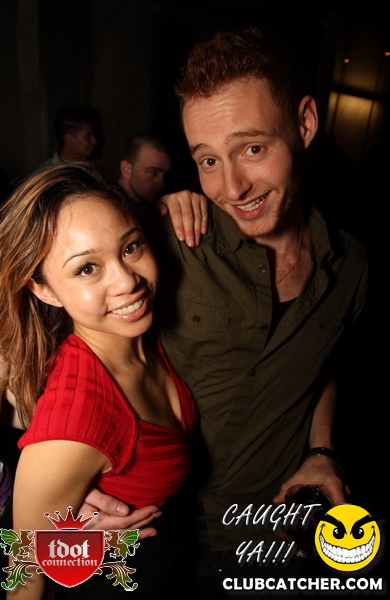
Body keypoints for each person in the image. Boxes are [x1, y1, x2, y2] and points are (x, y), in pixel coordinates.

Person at [89, 27, 369, 597]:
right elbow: (55, 337)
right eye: (209, 160)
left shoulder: (353, 266)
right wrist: (67, 471)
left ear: (305, 124)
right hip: (146, 529)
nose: (233, 187)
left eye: (253, 149)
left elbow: (326, 362)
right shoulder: (170, 241)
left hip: (267, 527)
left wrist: (322, 451)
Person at [0, 162, 197, 599]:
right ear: (45, 290)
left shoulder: (148, 331)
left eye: (130, 247)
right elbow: (25, 581)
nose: (127, 281)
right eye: (87, 268)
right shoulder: (74, 426)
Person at [118, 133, 171, 206]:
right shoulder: (108, 205)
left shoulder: (153, 207)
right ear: (126, 169)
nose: (161, 183)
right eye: (152, 172)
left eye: (166, 175)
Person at [40, 104, 98, 168]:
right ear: (69, 139)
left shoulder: (90, 169)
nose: (94, 141)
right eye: (87, 136)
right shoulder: (48, 173)